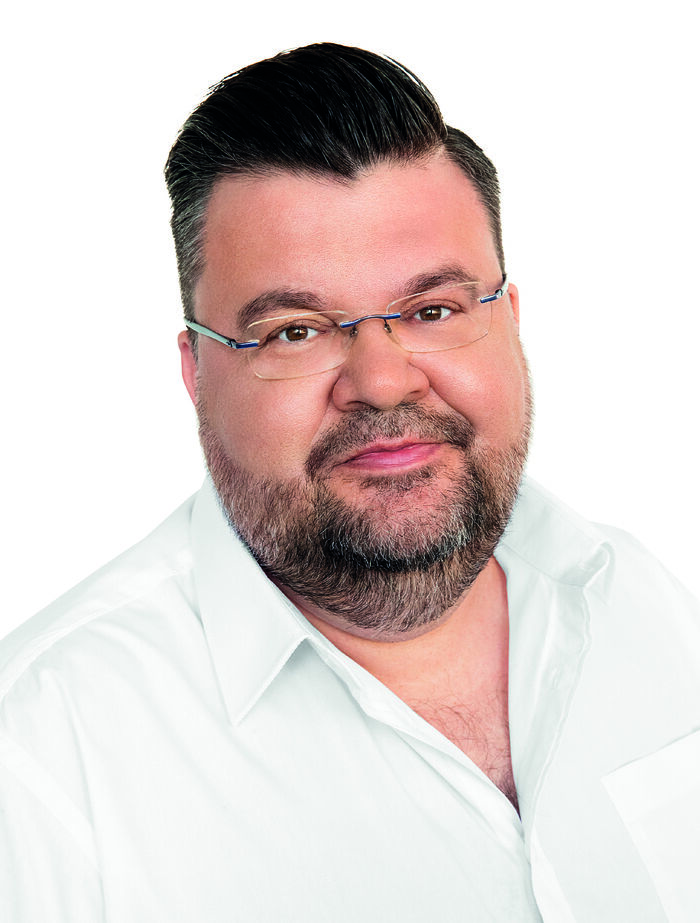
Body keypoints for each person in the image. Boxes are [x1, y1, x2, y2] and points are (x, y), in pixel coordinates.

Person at [1, 43, 698, 922]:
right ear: (195, 373)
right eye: (295, 330)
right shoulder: (41, 761)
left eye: (433, 310)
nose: (383, 381)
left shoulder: (640, 597)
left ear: (510, 323)